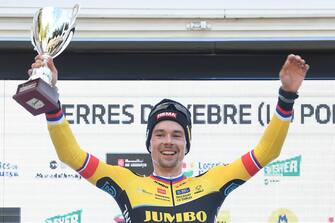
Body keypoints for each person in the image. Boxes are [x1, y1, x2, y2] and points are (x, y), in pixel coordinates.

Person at [29, 54, 309, 223]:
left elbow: (266, 153)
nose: (168, 141)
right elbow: (71, 156)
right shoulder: (127, 183)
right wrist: (52, 102)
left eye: (177, 135)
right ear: (149, 143)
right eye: (159, 134)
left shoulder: (211, 182)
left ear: (186, 144)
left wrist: (287, 97)